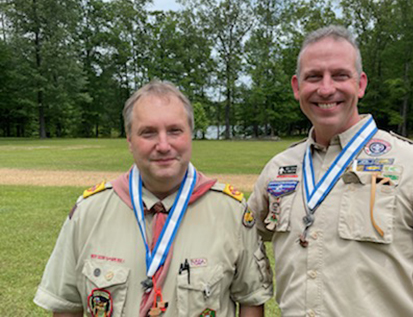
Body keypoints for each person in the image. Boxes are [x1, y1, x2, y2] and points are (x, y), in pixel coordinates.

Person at [248, 25, 413, 316]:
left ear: (361, 84)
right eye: (313, 76)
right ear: (296, 86)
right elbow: (239, 241)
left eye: (340, 75)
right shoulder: (278, 169)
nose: (326, 88)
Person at [34, 81, 273, 317]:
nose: (163, 145)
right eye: (148, 132)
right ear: (129, 140)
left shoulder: (231, 213)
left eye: (174, 131)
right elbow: (66, 305)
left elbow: (251, 300)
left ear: (190, 134)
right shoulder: (88, 213)